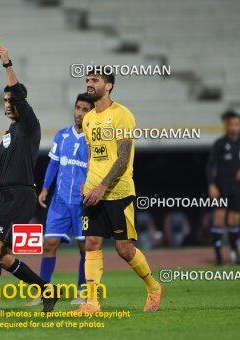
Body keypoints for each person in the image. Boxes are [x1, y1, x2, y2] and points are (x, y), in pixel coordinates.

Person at [72, 67, 163, 314]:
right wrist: (89, 181)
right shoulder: (89, 118)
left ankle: (154, 287)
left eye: (95, 80)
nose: (89, 84)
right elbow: (93, 154)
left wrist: (102, 186)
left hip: (118, 192)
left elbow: (123, 158)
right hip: (93, 193)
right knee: (91, 243)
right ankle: (91, 303)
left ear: (109, 85)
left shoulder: (122, 115)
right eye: (87, 80)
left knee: (124, 249)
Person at [0, 45, 60, 314]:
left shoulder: (29, 124)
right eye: (5, 101)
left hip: (21, 195)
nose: (8, 105)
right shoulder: (8, 134)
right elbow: (5, 168)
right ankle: (48, 290)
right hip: (7, 194)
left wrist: (7, 64)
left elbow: (19, 95)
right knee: (1, 255)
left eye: (12, 100)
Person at [28, 93, 94, 306]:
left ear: (92, 112)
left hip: (83, 203)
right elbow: (54, 164)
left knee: (85, 248)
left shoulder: (95, 138)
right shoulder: (62, 135)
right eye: (78, 108)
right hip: (60, 200)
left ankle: (83, 291)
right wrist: (45, 188)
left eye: (85, 109)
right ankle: (44, 291)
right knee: (49, 244)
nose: (79, 113)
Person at [207, 111, 240, 265]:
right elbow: (210, 165)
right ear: (226, 126)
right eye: (230, 124)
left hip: (237, 187)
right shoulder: (220, 144)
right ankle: (219, 257)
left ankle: (235, 255)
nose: (233, 127)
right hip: (221, 186)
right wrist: (211, 185)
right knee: (219, 219)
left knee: (235, 220)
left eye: (236, 124)